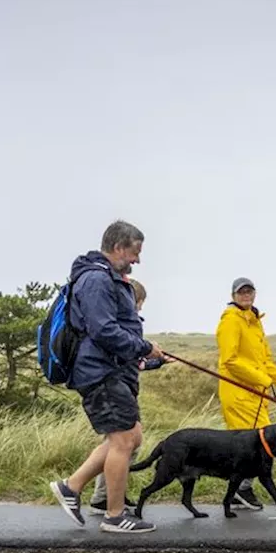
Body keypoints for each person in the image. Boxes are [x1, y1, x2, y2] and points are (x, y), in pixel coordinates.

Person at [49, 220, 163, 533]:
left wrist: (142, 354)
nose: (137, 260)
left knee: (131, 436)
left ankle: (71, 487)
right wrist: (144, 347)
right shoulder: (96, 280)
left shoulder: (106, 277)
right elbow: (104, 330)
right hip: (101, 371)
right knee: (123, 441)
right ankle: (114, 516)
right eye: (134, 252)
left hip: (112, 369)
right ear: (117, 247)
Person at [87, 278, 167, 515]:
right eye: (140, 304)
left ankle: (104, 496)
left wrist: (156, 362)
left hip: (123, 385)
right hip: (120, 388)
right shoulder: (124, 326)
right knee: (124, 444)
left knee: (121, 444)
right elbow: (129, 358)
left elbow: (135, 362)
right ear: (136, 300)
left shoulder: (120, 325)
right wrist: (148, 353)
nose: (140, 309)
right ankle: (100, 498)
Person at [215, 277, 276, 509]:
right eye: (241, 292)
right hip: (238, 393)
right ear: (233, 296)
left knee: (259, 444)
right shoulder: (231, 321)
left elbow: (263, 361)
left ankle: (241, 490)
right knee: (256, 445)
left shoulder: (254, 321)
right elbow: (230, 361)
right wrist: (263, 380)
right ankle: (241, 489)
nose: (246, 295)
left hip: (255, 393)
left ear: (255, 294)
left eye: (249, 291)